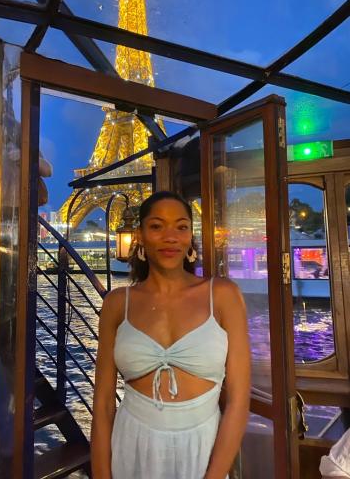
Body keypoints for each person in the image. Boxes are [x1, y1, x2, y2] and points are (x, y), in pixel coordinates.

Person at [91, 191, 251, 479]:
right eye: (156, 226)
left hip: (202, 448)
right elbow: (102, 404)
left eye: (181, 226)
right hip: (132, 445)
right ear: (139, 235)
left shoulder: (223, 295)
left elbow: (239, 400)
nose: (170, 236)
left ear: (191, 236)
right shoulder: (117, 303)